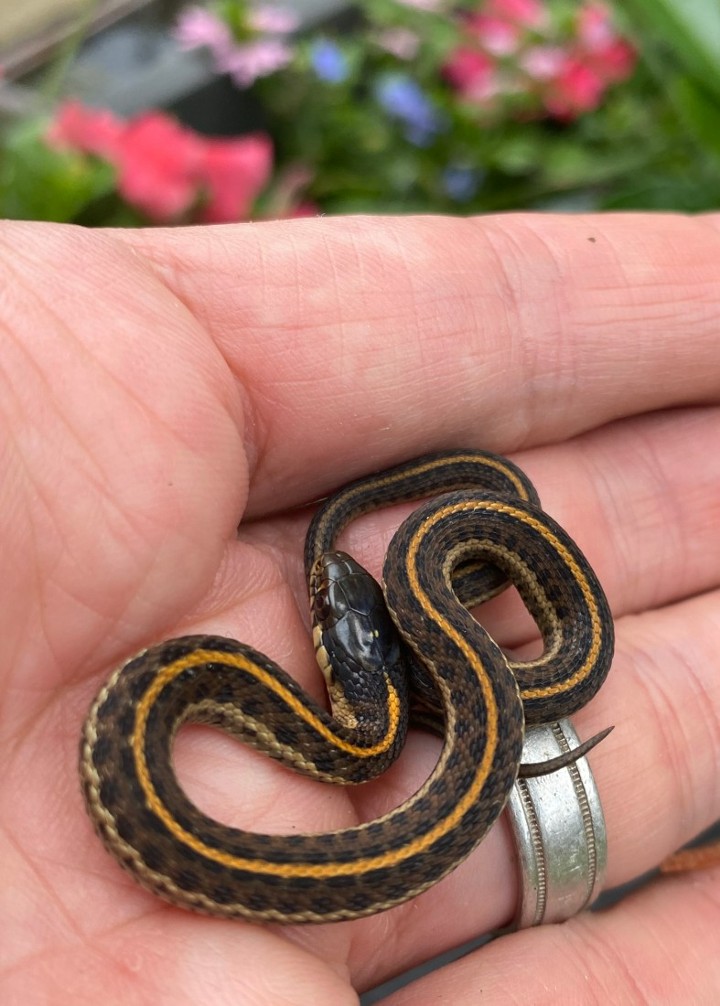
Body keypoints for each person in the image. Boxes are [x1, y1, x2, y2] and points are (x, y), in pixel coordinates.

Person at [1, 213, 718, 1003]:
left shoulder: (391, 674)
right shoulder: (259, 699)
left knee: (443, 551)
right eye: (332, 602)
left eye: (330, 601)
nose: (331, 586)